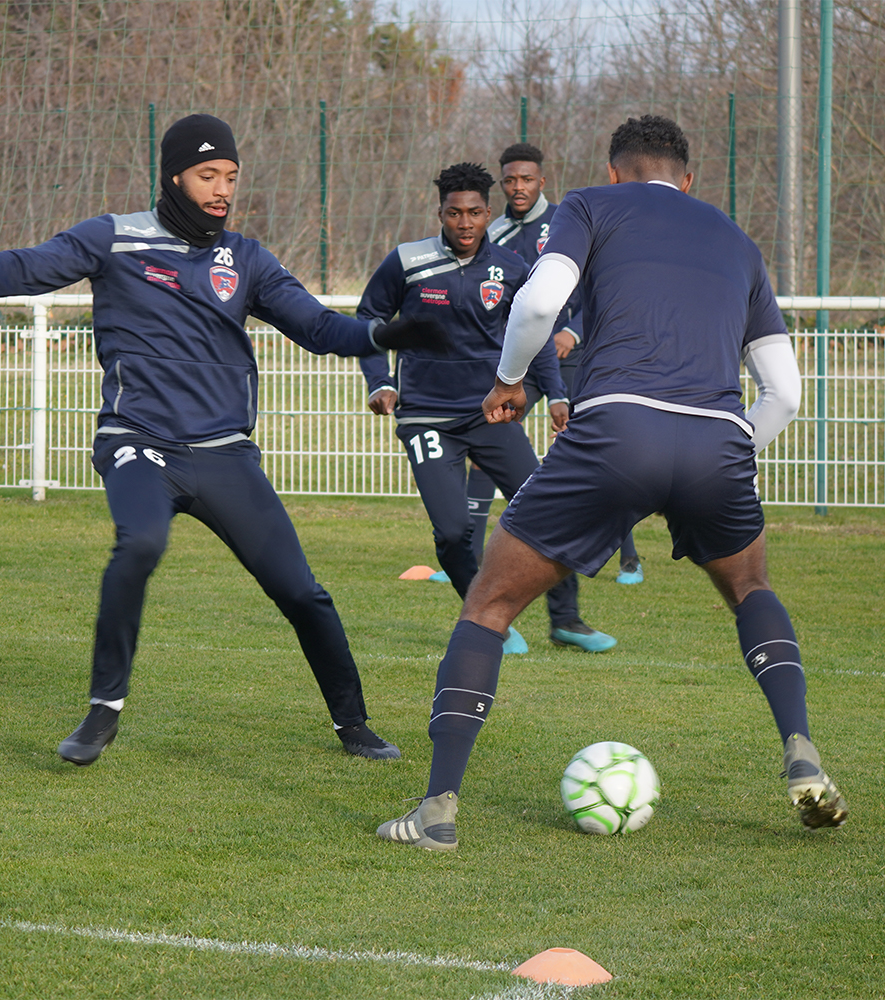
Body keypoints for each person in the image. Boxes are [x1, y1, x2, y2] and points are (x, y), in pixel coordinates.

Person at [0, 114, 443, 766]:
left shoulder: (246, 259)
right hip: (140, 441)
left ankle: (353, 724)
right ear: (174, 177)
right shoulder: (114, 237)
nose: (222, 190)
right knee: (140, 542)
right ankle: (104, 711)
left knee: (302, 592)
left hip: (224, 455)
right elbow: (33, 266)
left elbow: (320, 329)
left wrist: (385, 335)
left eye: (231, 177)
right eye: (207, 176)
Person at [377, 115, 847, 851]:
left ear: (615, 169)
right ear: (687, 180)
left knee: (491, 603)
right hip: (716, 442)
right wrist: (724, 449)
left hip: (616, 433)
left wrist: (507, 383)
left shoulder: (590, 206)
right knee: (751, 590)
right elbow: (785, 393)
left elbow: (536, 304)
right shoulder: (737, 242)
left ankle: (437, 810)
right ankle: (801, 750)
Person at [356, 162, 612, 656]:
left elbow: (532, 335)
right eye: (455, 213)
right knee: (453, 530)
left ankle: (567, 620)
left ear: (487, 213)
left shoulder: (513, 269)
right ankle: (484, 618)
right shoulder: (408, 262)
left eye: (474, 213)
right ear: (441, 214)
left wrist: (556, 393)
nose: (465, 223)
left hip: (489, 413)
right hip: (426, 416)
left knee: (546, 509)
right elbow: (369, 318)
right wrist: (380, 381)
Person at [481, 142, 644, 593]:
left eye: (526, 179)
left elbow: (602, 292)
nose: (518, 187)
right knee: (489, 434)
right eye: (510, 180)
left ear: (542, 182)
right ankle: (473, 550)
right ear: (502, 182)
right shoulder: (491, 232)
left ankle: (627, 554)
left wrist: (571, 333)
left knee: (593, 450)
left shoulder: (570, 223)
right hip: (519, 363)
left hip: (573, 358)